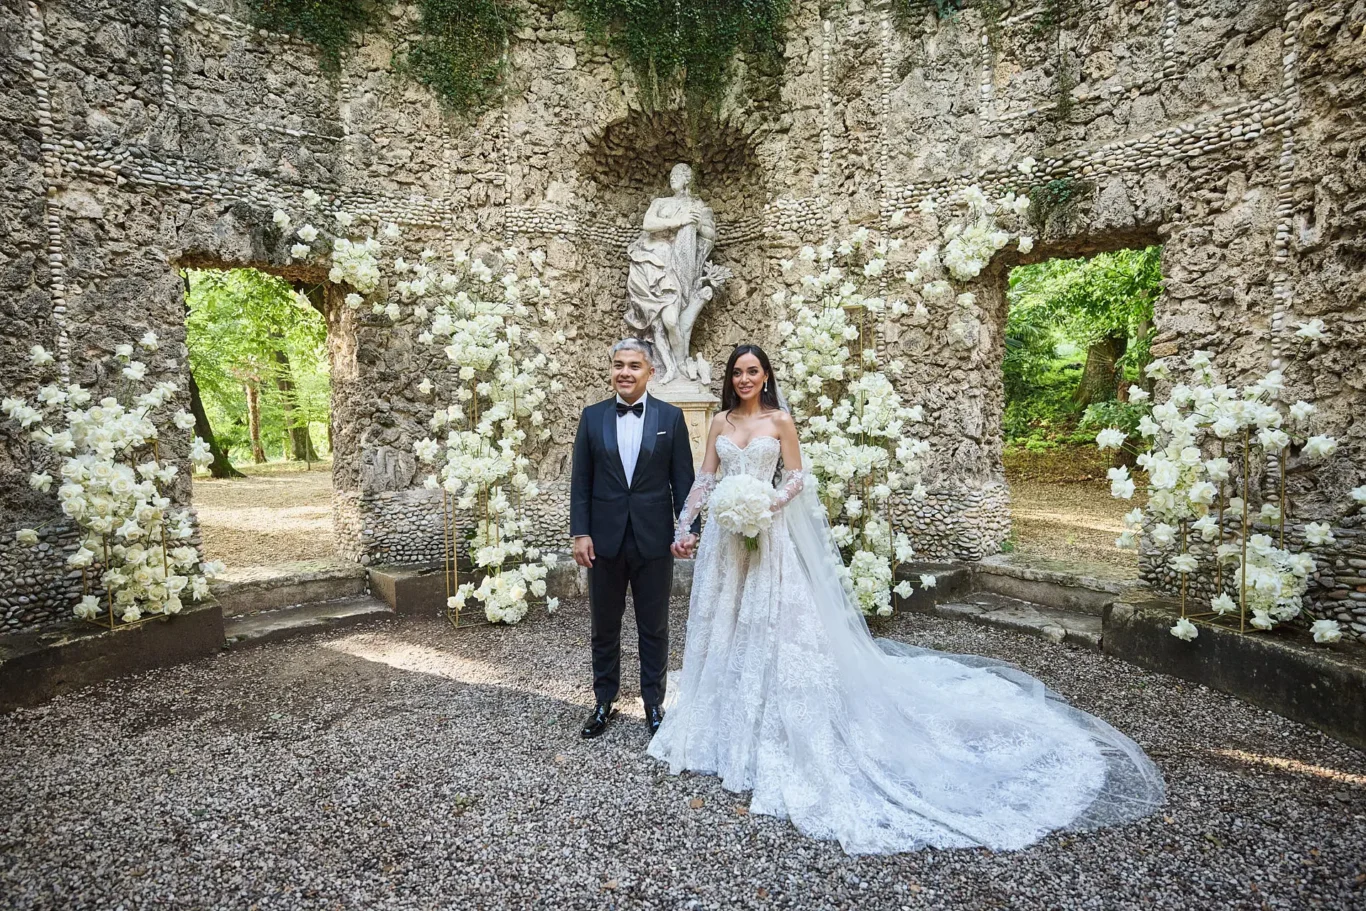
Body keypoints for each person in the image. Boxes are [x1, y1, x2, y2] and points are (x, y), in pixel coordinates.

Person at [649, 343, 1165, 854]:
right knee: (725, 621)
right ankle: (722, 714)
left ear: (765, 376)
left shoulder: (781, 421)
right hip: (726, 543)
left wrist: (767, 502)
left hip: (767, 534)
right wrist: (684, 523)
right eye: (738, 372)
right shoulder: (719, 423)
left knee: (770, 624)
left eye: (753, 371)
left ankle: (770, 716)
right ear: (730, 378)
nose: (744, 379)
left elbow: (798, 477)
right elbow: (705, 479)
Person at [570, 338, 697, 739]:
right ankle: (603, 701)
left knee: (654, 627)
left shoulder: (671, 418)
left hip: (653, 540)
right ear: (611, 369)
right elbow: (581, 483)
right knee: (604, 626)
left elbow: (684, 481)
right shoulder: (592, 417)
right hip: (603, 541)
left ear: (650, 372)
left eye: (634, 366)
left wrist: (688, 530)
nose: (625, 372)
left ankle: (653, 704)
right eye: (618, 365)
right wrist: (581, 532)